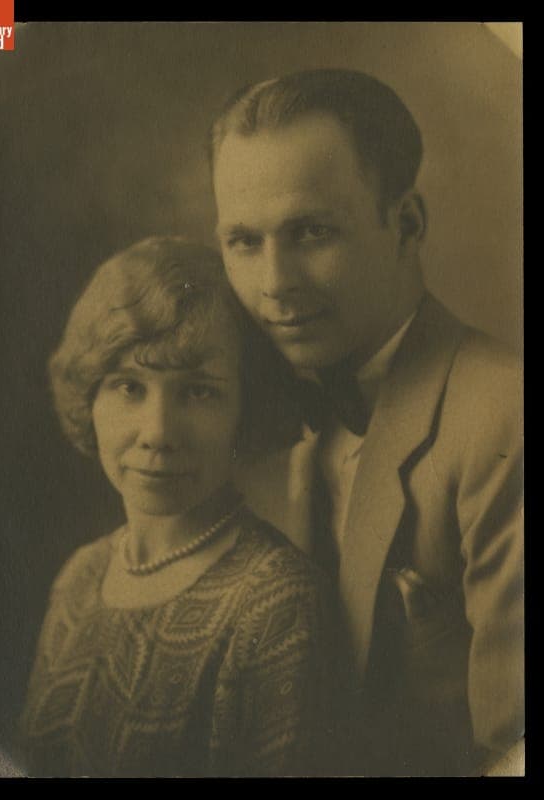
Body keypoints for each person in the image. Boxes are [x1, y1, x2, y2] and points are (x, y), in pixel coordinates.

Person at [210, 69, 524, 776]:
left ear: (407, 223)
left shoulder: (504, 415)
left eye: (312, 232)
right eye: (243, 241)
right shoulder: (238, 412)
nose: (274, 284)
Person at [19, 236, 345, 778]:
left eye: (198, 393)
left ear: (246, 407)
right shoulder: (78, 580)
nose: (158, 434)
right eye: (129, 387)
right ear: (90, 397)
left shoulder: (276, 606)